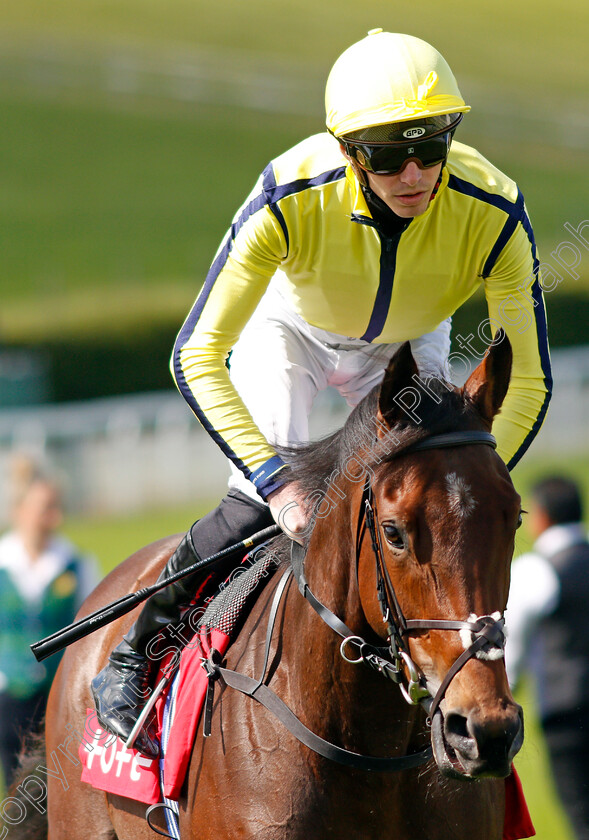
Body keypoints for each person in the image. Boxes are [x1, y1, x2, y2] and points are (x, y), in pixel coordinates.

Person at [92, 29, 552, 757]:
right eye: (383, 154)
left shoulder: (492, 206)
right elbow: (195, 354)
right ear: (345, 150)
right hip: (293, 334)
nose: (412, 173)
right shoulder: (287, 193)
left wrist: (478, 472)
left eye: (429, 148)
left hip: (408, 345)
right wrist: (280, 485)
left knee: (439, 505)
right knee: (252, 503)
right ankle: (137, 654)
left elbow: (525, 374)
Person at [0, 457, 98, 786]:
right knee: (16, 791)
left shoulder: (75, 564)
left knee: (60, 788)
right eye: (46, 507)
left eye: (56, 507)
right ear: (20, 510)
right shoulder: (3, 563)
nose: (55, 517)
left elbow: (90, 633)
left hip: (58, 695)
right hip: (8, 696)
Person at [506, 477, 589, 840]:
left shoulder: (536, 571)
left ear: (541, 517)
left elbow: (512, 648)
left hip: (566, 715)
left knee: (581, 815)